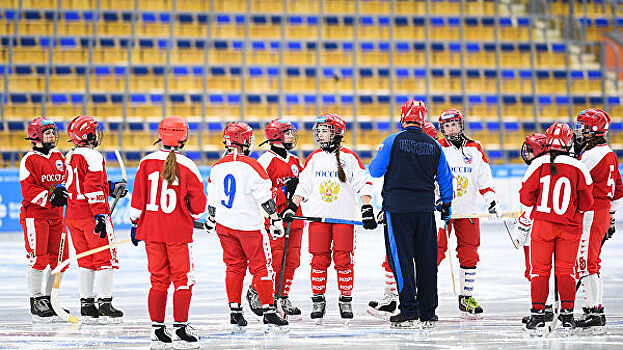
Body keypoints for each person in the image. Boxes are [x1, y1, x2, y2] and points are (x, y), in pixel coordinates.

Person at [282, 113, 377, 324]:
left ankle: (345, 300)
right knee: (318, 260)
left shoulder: (350, 158)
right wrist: (292, 205)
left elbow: (363, 182)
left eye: (325, 130)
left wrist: (367, 207)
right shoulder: (314, 158)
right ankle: (318, 301)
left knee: (344, 260)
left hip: (344, 218)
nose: (320, 135)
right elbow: (303, 186)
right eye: (319, 131)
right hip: (318, 218)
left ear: (337, 133)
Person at [368, 100, 453, 328]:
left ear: (403, 117)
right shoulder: (435, 145)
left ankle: (408, 309)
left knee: (401, 259)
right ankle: (428, 311)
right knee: (427, 259)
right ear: (424, 119)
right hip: (425, 210)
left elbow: (374, 171)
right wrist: (447, 204)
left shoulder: (392, 140)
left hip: (398, 209)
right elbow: (445, 178)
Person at [130, 116, 206, 348]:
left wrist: (135, 224)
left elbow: (137, 201)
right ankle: (181, 326)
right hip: (178, 234)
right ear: (184, 137)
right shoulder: (189, 165)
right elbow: (199, 206)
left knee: (158, 280)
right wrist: (191, 217)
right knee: (183, 280)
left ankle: (157, 328)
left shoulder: (145, 163)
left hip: (151, 231)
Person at [205, 122, 289, 332]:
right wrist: (276, 219)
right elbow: (264, 198)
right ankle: (269, 312)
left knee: (234, 266)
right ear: (244, 141)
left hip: (224, 225)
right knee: (262, 267)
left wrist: (211, 220)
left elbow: (213, 200)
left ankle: (235, 311)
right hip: (249, 226)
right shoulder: (253, 166)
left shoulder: (216, 167)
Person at [517, 122, 594, 333]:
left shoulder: (538, 163)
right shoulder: (579, 166)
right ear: (569, 141)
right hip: (570, 227)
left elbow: (525, 196)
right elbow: (588, 203)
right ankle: (567, 316)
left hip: (543, 226)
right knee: (567, 271)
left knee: (539, 272)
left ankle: (537, 315)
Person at [436, 108, 501, 318]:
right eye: (446, 126)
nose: (450, 129)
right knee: (434, 252)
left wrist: (491, 200)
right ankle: (423, 295)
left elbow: (485, 178)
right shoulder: (438, 148)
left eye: (454, 124)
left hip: (468, 211)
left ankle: (466, 297)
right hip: (442, 211)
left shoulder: (475, 148)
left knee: (470, 253)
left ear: (461, 124)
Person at [64, 115, 127, 323]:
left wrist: (110, 188)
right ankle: (105, 302)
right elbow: (92, 189)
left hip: (73, 215)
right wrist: (100, 214)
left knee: (85, 260)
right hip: (92, 216)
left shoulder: (71, 156)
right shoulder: (93, 156)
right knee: (104, 259)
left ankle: (87, 304)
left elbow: (81, 184)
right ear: (88, 135)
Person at [246, 119, 304, 319]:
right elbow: (260, 190)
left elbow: (304, 188)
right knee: (275, 260)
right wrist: (282, 191)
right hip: (274, 219)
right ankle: (258, 291)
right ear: (276, 136)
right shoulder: (265, 161)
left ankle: (283, 296)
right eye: (287, 133)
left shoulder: (295, 160)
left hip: (295, 217)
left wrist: (298, 189)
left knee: (292, 260)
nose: (291, 136)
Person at [572, 109, 623, 331]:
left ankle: (594, 311)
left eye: (582, 127)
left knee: (585, 262)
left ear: (593, 130)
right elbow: (619, 189)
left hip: (592, 212)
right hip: (601, 212)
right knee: (590, 262)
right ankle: (594, 307)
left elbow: (573, 176)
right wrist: (612, 216)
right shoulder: (609, 153)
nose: (579, 132)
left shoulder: (592, 155)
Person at [19, 117, 69, 322]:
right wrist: (50, 197)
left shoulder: (58, 156)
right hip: (36, 217)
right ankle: (36, 299)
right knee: (38, 258)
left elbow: (66, 180)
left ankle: (51, 298)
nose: (52, 136)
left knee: (60, 259)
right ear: (36, 136)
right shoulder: (28, 160)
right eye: (47, 133)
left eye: (52, 132)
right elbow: (28, 189)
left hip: (56, 217)